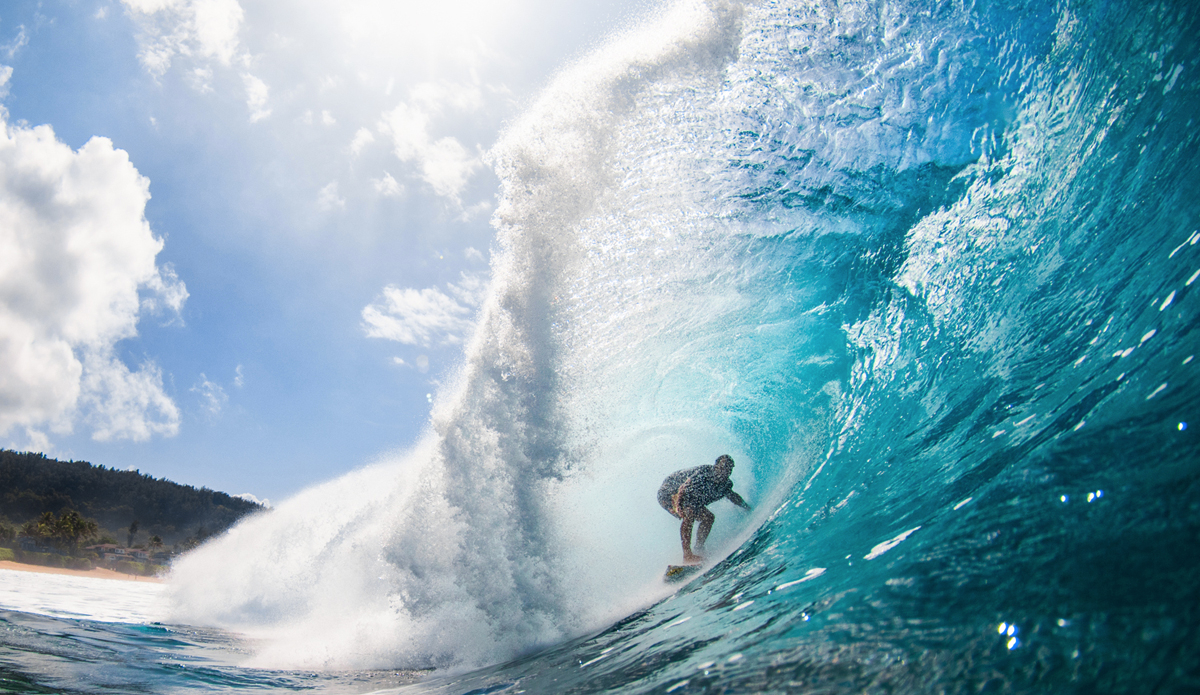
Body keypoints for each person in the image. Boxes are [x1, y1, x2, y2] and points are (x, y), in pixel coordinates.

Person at [658, 454, 751, 564]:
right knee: (689, 513)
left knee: (708, 517)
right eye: (723, 467)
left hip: (688, 497)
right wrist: (678, 507)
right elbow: (683, 488)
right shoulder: (705, 474)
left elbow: (733, 497)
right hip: (669, 491)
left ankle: (699, 549)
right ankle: (687, 556)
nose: (725, 471)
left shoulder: (725, 485)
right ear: (716, 466)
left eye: (729, 469)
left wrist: (747, 508)